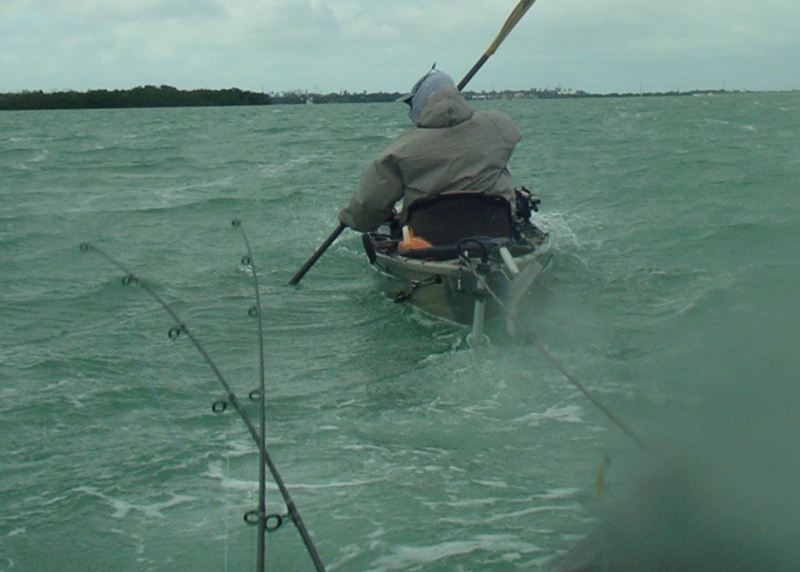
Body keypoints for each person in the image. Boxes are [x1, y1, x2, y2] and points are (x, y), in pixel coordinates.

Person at [337, 68, 523, 233]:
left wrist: (349, 217)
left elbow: (368, 208)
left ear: (421, 103)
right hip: (495, 228)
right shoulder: (499, 124)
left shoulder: (399, 150)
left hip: (426, 241)